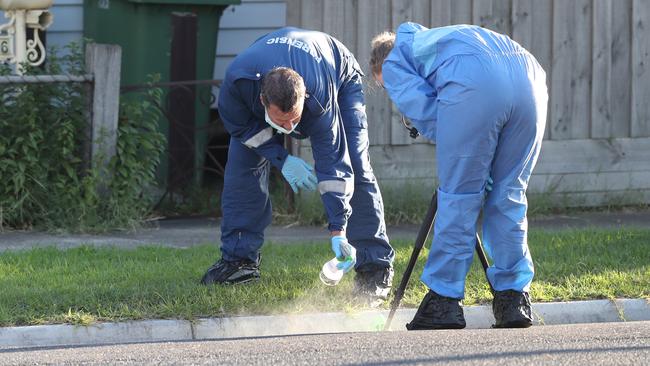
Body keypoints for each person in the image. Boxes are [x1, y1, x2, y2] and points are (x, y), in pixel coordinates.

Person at [370, 23, 548, 329]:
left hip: (477, 81)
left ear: (382, 66)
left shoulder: (395, 60)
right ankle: (513, 299)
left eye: (386, 87)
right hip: (530, 78)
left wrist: (472, 160)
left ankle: (444, 301)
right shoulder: (440, 41)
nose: (391, 93)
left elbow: (432, 115)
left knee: (459, 196)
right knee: (509, 193)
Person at [200, 26, 395, 303]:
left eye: (295, 119)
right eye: (283, 122)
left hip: (337, 73)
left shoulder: (318, 96)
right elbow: (240, 128)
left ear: (304, 99)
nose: (291, 128)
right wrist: (282, 158)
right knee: (242, 167)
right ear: (262, 101)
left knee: (356, 162)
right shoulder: (237, 84)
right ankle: (238, 262)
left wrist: (338, 231)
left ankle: (375, 268)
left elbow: (333, 163)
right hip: (269, 72)